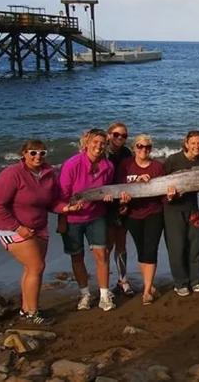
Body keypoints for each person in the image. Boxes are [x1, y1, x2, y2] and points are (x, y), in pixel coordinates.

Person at [0, 140, 82, 325]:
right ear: (24, 154)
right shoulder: (12, 174)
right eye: (33, 153)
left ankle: (26, 309)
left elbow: (52, 203)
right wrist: (18, 228)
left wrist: (67, 209)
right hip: (11, 228)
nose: (37, 156)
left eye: (42, 153)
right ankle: (32, 313)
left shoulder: (48, 174)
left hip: (39, 227)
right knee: (36, 267)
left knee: (32, 268)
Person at [59, 128, 124, 311]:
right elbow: (62, 195)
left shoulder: (108, 166)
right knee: (77, 256)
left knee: (101, 255)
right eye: (95, 142)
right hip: (72, 217)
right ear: (86, 143)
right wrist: (65, 215)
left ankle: (104, 295)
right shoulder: (72, 164)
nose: (98, 146)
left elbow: (107, 190)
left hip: (96, 216)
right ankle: (85, 294)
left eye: (102, 143)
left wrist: (109, 197)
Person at [116, 135, 165, 306]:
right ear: (134, 147)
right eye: (140, 146)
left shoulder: (158, 167)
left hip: (154, 213)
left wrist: (172, 196)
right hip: (133, 214)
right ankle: (149, 285)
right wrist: (124, 198)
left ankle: (147, 291)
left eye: (148, 147)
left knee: (151, 249)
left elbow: (163, 193)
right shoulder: (126, 165)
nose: (144, 149)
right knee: (142, 249)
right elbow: (119, 187)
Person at [163, 131, 199, 295]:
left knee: (195, 244)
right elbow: (160, 184)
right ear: (186, 144)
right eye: (194, 143)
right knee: (177, 247)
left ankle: (195, 280)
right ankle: (180, 283)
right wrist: (169, 196)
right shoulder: (173, 160)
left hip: (192, 207)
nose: (197, 146)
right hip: (173, 209)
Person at [105, 122, 134, 296]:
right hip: (104, 202)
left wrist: (125, 203)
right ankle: (105, 284)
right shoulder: (102, 152)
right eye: (116, 135)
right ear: (109, 135)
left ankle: (123, 280)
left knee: (121, 242)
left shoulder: (126, 153)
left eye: (123, 136)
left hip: (122, 199)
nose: (120, 138)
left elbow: (129, 177)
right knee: (107, 244)